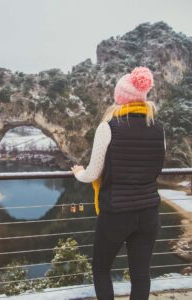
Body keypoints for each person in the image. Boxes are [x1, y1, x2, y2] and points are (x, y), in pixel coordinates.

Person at [71, 66, 166, 300]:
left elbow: (93, 172)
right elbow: (156, 166)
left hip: (116, 212)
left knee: (102, 268)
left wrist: (78, 173)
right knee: (141, 273)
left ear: (119, 98)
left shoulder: (108, 127)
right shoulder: (158, 128)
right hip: (148, 212)